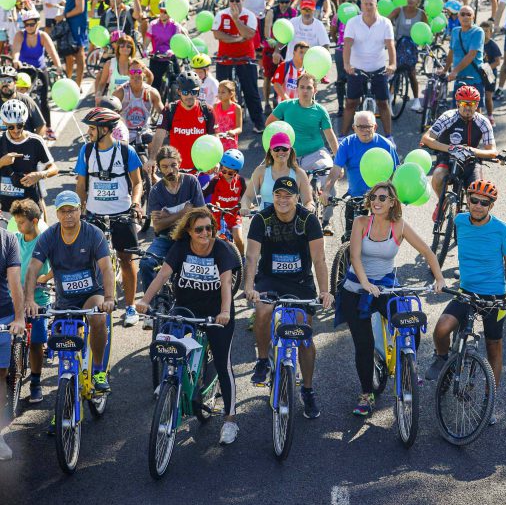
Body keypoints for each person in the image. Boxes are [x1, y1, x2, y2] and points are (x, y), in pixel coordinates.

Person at [336, 181, 445, 416]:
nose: (376, 202)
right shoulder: (361, 222)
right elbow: (355, 257)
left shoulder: (399, 225)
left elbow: (427, 251)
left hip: (385, 287)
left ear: (392, 202)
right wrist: (366, 284)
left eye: (382, 198)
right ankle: (367, 394)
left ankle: (409, 365)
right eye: (373, 197)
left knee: (410, 320)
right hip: (356, 289)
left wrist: (439, 278)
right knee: (364, 345)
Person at [136, 206, 240, 445]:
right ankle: (169, 383)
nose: (205, 233)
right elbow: (163, 275)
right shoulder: (180, 247)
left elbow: (226, 283)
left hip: (216, 313)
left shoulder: (221, 249)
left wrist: (225, 312)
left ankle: (230, 420)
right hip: (186, 310)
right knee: (170, 347)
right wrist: (144, 300)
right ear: (189, 231)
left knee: (223, 364)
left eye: (209, 228)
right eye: (199, 229)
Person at [425, 179, 506, 422]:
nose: (477, 205)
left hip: (495, 297)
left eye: (483, 202)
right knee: (441, 328)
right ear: (467, 200)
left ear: (491, 205)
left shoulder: (501, 229)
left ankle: (489, 401)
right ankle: (442, 358)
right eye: (473, 200)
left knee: (493, 346)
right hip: (466, 292)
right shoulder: (459, 221)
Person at [244, 176, 333, 419]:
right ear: (272, 197)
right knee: (263, 310)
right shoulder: (262, 219)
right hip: (270, 279)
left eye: (288, 196)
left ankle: (308, 389)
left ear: (297, 198)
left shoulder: (308, 220)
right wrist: (249, 287)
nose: (283, 200)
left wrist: (325, 291)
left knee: (304, 334)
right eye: (278, 195)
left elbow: (319, 259)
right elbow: (251, 257)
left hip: (300, 282)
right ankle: (263, 360)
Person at [24, 190, 114, 395]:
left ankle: (98, 370)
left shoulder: (93, 234)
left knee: (98, 318)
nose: (68, 215)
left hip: (91, 294)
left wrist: (109, 298)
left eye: (72, 210)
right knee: (62, 345)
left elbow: (106, 268)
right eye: (63, 211)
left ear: (80, 210)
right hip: (64, 299)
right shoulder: (49, 236)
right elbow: (33, 268)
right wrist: (29, 299)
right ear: (56, 213)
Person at [76, 107, 144, 327]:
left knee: (126, 259)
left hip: (122, 213)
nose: (89, 132)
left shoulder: (126, 151)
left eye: (92, 128)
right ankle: (92, 303)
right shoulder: (86, 151)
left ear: (104, 129)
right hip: (94, 214)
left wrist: (136, 203)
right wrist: (80, 209)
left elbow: (138, 182)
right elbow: (81, 184)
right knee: (90, 260)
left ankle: (131, 306)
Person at [140, 146, 205, 303]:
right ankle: (150, 306)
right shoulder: (156, 191)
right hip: (165, 238)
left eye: (173, 165)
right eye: (165, 166)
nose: (170, 170)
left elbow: (202, 215)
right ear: (159, 168)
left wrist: (167, 217)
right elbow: (157, 227)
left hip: (190, 238)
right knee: (146, 263)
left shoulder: (191, 181)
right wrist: (184, 213)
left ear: (180, 163)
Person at [421, 84, 496, 208]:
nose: (468, 107)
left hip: (471, 161)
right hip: (447, 158)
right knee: (438, 175)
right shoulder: (448, 117)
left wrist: (472, 150)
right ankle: (442, 204)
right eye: (464, 103)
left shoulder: (483, 122)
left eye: (472, 104)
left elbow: (492, 152)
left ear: (477, 105)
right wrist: (450, 149)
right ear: (457, 103)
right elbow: (426, 138)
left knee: (478, 193)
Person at [342, 0, 396, 138]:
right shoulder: (353, 22)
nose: (368, 7)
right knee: (351, 103)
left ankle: (389, 136)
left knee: (383, 103)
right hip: (356, 69)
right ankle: (342, 136)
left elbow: (390, 45)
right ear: (361, 6)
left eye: (371, 4)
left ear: (376, 6)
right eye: (365, 4)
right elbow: (347, 44)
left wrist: (392, 64)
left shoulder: (385, 23)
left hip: (378, 68)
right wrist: (347, 64)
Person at [12, 199, 48, 405]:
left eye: (21, 222)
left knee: (36, 342)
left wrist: (45, 278)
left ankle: (35, 381)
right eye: (16, 222)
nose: (18, 226)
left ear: (34, 221)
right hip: (15, 298)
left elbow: (54, 267)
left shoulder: (44, 242)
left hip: (38, 298)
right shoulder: (15, 240)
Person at [213, 0, 265, 134]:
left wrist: (236, 20)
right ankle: (220, 122)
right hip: (225, 58)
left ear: (243, 0)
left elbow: (249, 34)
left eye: (237, 1)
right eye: (232, 1)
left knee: (251, 91)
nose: (234, 4)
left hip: (245, 58)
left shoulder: (250, 15)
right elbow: (217, 34)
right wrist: (237, 39)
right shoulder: (221, 14)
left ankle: (259, 123)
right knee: (222, 92)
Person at [324, 110, 399, 208]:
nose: (364, 130)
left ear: (375, 127)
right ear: (354, 128)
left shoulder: (387, 145)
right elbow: (335, 170)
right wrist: (326, 191)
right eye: (360, 127)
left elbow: (395, 173)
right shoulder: (347, 144)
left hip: (380, 200)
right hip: (355, 198)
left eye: (368, 126)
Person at [266, 73, 338, 175]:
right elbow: (269, 125)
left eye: (309, 88)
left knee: (328, 175)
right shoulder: (285, 106)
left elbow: (330, 137)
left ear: (315, 90)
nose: (305, 91)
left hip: (316, 154)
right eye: (302, 87)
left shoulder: (321, 111)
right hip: (288, 157)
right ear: (297, 89)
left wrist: (339, 164)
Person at [147, 70, 216, 174]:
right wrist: (152, 159)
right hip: (176, 171)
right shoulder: (170, 110)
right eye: (185, 92)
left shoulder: (207, 110)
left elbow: (214, 139)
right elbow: (159, 136)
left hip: (202, 169)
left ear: (198, 91)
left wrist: (215, 161)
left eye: (193, 92)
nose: (189, 96)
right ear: (179, 92)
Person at [11, 9, 63, 138]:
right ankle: (18, 127)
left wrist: (58, 66)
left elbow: (52, 52)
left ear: (37, 23)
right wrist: (16, 60)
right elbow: (16, 51)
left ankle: (48, 128)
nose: (29, 27)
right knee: (20, 99)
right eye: (26, 24)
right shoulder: (20, 35)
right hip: (24, 71)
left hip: (40, 70)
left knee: (44, 100)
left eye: (32, 24)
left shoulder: (43, 36)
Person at [0, 99, 58, 213]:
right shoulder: (1, 140)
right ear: (4, 123)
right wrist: (2, 162)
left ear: (24, 122)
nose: (16, 130)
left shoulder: (35, 141)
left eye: (19, 125)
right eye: (11, 127)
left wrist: (40, 175)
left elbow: (54, 168)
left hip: (29, 208)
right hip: (5, 209)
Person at [0, 219, 24, 460]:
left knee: (0, 374)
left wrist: (19, 318)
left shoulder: (8, 240)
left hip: (2, 315)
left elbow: (14, 281)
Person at [242, 132, 313, 212]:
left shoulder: (299, 173)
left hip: (291, 218)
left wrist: (310, 207)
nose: (281, 152)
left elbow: (308, 201)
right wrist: (244, 207)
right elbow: (248, 196)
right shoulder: (260, 171)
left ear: (290, 150)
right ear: (271, 151)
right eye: (276, 149)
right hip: (265, 218)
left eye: (284, 149)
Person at [389, 0, 428, 112]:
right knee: (394, 70)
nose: (410, 0)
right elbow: (386, 21)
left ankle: (416, 101)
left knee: (412, 73)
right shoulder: (399, 10)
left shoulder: (421, 14)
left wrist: (424, 44)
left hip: (412, 46)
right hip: (399, 44)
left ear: (418, 1)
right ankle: (390, 96)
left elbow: (426, 30)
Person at [201, 149, 246, 255]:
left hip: (233, 215)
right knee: (213, 241)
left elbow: (245, 197)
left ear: (236, 172)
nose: (225, 174)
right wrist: (203, 206)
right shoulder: (215, 180)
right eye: (223, 170)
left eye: (230, 172)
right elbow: (202, 194)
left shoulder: (240, 181)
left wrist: (246, 206)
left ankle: (242, 259)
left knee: (238, 239)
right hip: (217, 215)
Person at [113, 59, 163, 142]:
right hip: (124, 134)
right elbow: (110, 113)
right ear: (128, 73)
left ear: (143, 73)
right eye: (132, 71)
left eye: (139, 71)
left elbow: (163, 114)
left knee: (155, 144)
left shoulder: (152, 92)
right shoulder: (120, 92)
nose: (136, 74)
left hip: (144, 133)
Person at [444, 5, 486, 103]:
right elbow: (451, 52)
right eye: (462, 14)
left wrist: (455, 71)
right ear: (458, 17)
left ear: (473, 17)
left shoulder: (478, 32)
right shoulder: (455, 31)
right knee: (458, 109)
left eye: (469, 14)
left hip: (474, 79)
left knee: (475, 110)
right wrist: (445, 70)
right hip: (459, 79)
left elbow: (471, 55)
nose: (466, 17)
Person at [57, 0, 88, 86]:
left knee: (79, 53)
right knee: (68, 53)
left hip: (78, 24)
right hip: (70, 24)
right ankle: (68, 82)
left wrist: (63, 16)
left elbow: (80, 8)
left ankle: (78, 84)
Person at [146, 1, 184, 93]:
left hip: (171, 57)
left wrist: (173, 51)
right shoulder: (153, 25)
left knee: (178, 83)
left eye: (165, 12)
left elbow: (178, 42)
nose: (162, 14)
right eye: (161, 11)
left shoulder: (176, 26)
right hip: (156, 58)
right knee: (154, 86)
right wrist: (145, 50)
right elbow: (146, 42)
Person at [0, 65, 45, 136]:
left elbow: (40, 126)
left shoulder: (26, 101)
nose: (5, 84)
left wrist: (35, 142)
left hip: (25, 141)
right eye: (1, 81)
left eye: (8, 81)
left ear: (15, 82)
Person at [480, 20, 502, 123]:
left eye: (486, 31)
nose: (484, 33)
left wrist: (486, 69)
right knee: (478, 95)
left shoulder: (493, 45)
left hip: (490, 73)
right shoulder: (477, 43)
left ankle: (490, 116)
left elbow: (498, 62)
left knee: (488, 97)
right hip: (478, 72)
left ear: (490, 32)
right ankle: (478, 118)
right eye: (482, 31)